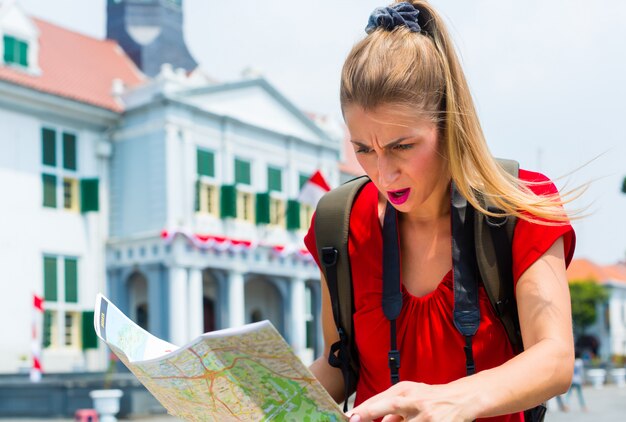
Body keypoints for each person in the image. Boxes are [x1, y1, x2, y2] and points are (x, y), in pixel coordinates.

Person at [305, 1, 579, 421]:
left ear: (450, 124)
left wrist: (451, 401)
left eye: (402, 147)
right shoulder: (336, 223)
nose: (383, 173)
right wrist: (262, 403)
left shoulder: (519, 204)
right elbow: (339, 363)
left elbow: (555, 359)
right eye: (363, 149)